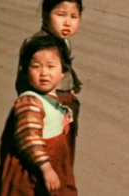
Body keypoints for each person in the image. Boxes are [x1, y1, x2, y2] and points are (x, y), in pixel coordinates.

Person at [0, 35, 77, 196]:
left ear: (63, 72)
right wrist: (46, 168)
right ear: (25, 70)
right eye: (36, 66)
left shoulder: (52, 98)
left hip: (54, 163)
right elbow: (29, 139)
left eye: (51, 66)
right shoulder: (29, 102)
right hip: (34, 167)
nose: (43, 72)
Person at [15, 0, 83, 167]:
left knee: (63, 161)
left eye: (74, 16)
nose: (67, 22)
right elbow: (24, 84)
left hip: (62, 108)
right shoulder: (38, 46)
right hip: (44, 115)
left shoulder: (64, 42)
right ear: (45, 15)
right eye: (60, 15)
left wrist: (71, 89)